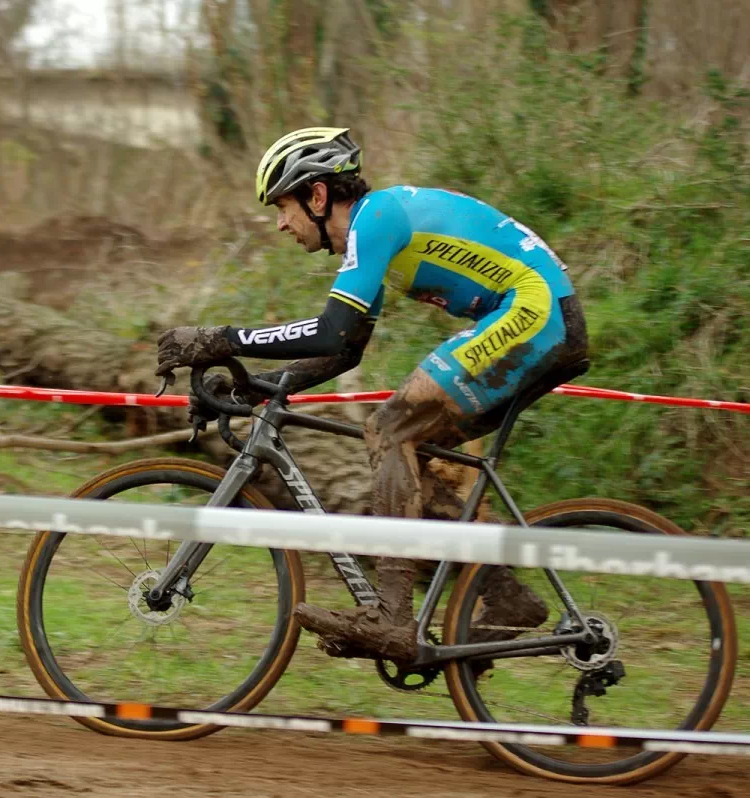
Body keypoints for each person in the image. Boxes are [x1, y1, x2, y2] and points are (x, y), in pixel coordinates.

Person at [154, 127, 589, 663]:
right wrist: (260, 384)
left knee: (389, 428)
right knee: (416, 464)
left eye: (283, 206)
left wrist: (220, 340)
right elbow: (347, 348)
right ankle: (506, 597)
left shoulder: (377, 217)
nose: (280, 223)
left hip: (536, 312)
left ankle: (391, 616)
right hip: (539, 316)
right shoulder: (377, 231)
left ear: (317, 196)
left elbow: (330, 332)